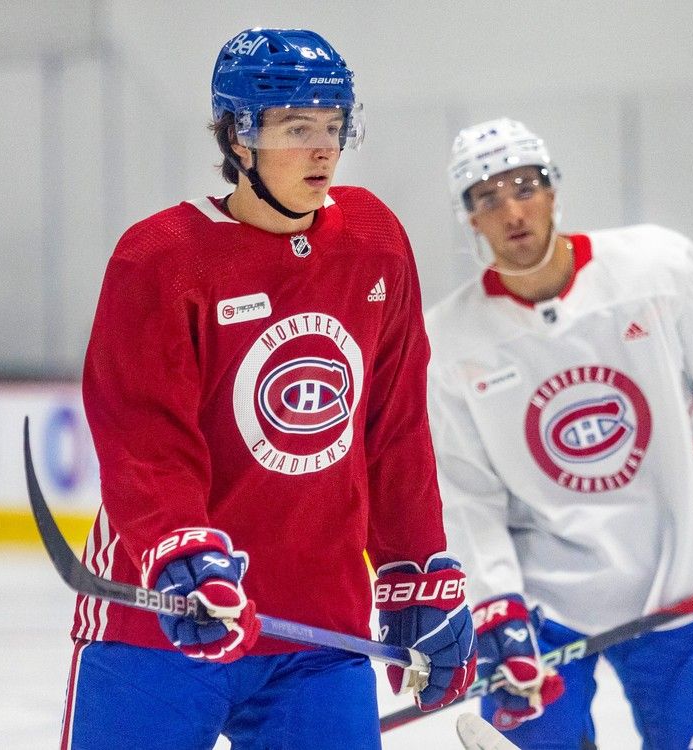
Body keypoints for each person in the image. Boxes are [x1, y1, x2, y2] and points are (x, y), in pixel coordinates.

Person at [62, 27, 475, 750]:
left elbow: (395, 427)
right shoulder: (161, 258)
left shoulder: (375, 241)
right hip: (164, 621)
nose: (322, 148)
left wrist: (415, 572)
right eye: (296, 126)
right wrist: (180, 556)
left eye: (334, 125)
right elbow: (143, 440)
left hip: (317, 634)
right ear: (238, 136)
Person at [424, 117, 693, 750]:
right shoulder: (451, 339)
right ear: (470, 217)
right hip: (544, 620)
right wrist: (496, 606)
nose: (511, 211)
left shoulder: (654, 269)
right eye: (487, 198)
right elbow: (466, 492)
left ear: (554, 190)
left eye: (525, 186)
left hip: (679, 593)